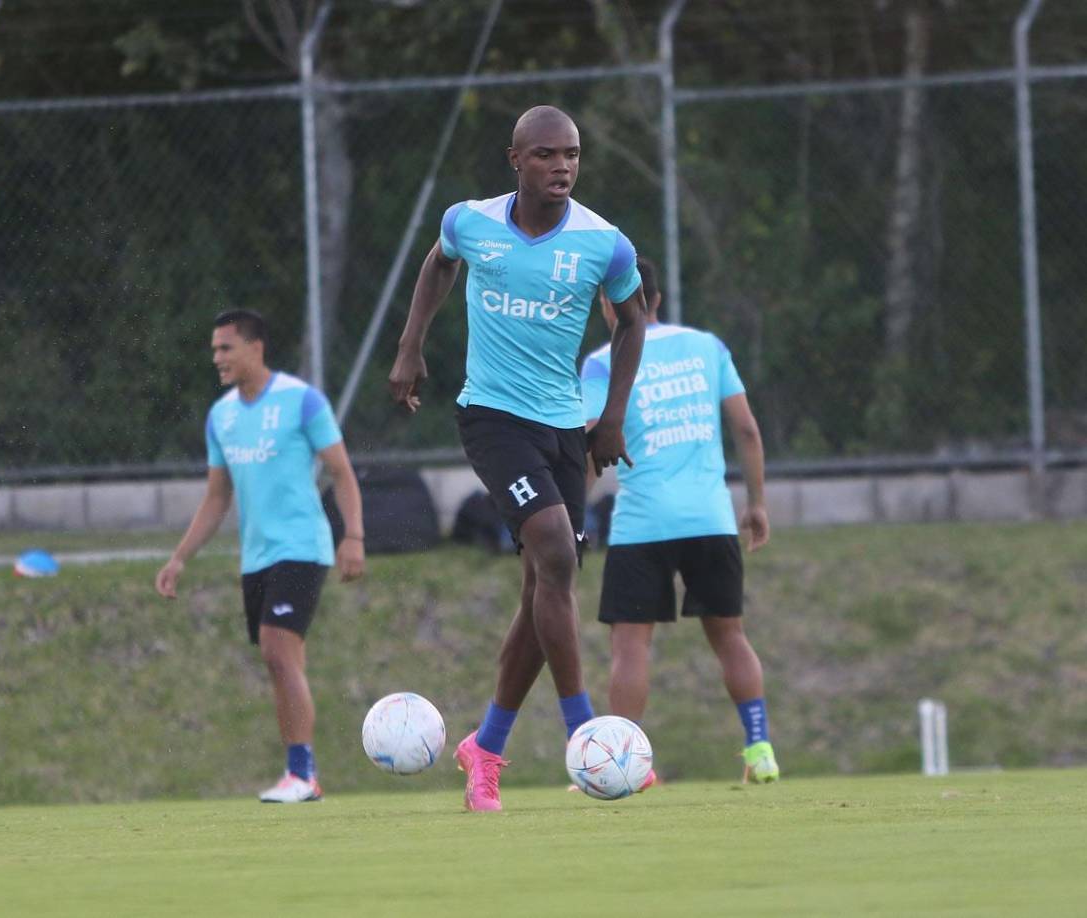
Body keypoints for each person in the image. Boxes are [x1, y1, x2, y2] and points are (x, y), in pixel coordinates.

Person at [388, 105, 648, 811]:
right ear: (515, 160)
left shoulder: (604, 243)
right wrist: (411, 347)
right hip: (492, 417)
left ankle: (487, 747)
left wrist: (612, 417)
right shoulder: (470, 221)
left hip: (564, 427)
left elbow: (633, 324)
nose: (561, 166)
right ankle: (586, 737)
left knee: (543, 590)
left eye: (571, 155)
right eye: (545, 155)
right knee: (556, 557)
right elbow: (438, 267)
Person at [580, 257, 780, 784]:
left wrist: (573, 519)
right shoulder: (706, 348)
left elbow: (591, 444)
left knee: (630, 646)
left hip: (642, 523)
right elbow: (747, 429)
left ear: (608, 303)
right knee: (730, 637)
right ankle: (759, 748)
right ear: (658, 299)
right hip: (710, 519)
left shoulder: (603, 361)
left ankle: (630, 766)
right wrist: (756, 503)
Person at [155, 309, 365, 803]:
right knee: (280, 662)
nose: (217, 358)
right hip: (256, 558)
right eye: (214, 350)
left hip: (303, 547)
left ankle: (302, 773)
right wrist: (180, 557)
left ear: (255, 348)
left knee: (275, 649)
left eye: (226, 348)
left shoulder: (301, 401)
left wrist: (352, 537)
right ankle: (299, 771)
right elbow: (216, 497)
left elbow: (342, 471)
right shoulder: (221, 416)